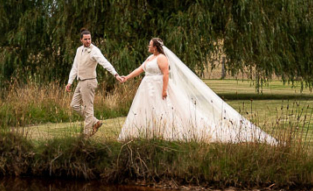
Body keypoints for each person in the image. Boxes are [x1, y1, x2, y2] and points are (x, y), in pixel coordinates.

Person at [116, 37, 277, 144]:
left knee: (163, 109)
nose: (148, 46)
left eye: (150, 44)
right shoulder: (150, 58)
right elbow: (140, 69)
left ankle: (165, 133)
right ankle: (147, 133)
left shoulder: (162, 58)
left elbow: (166, 74)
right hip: (146, 87)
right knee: (146, 109)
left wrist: (164, 90)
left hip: (158, 86)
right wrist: (126, 78)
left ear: (155, 47)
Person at [66, 29, 121, 136]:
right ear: (81, 40)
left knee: (88, 108)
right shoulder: (79, 50)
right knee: (74, 105)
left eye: (89, 39)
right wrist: (70, 82)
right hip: (80, 81)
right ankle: (95, 122)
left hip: (89, 82)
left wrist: (115, 74)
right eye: (85, 39)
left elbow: (104, 63)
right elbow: (75, 67)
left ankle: (86, 135)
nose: (88, 41)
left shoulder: (94, 50)